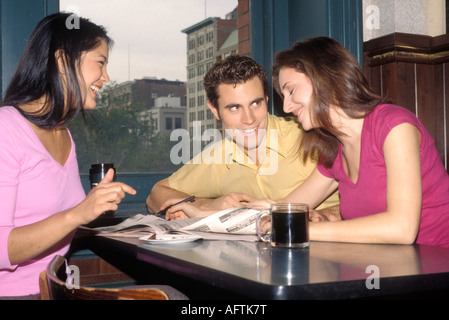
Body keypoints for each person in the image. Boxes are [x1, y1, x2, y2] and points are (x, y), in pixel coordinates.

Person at [260, 36, 449, 247]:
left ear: (324, 76)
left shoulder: (394, 126)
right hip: (387, 267)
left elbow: (402, 229)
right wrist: (261, 212)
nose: (286, 107)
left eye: (291, 90)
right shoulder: (335, 149)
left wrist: (303, 229)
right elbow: (289, 207)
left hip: (437, 268)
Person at [0, 13, 137, 299]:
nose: (106, 78)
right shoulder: (6, 128)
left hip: (56, 289)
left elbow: (56, 218)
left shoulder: (63, 135)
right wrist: (79, 213)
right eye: (100, 63)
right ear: (62, 61)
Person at [146, 55, 340, 220]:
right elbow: (155, 195)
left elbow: (365, 201)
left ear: (266, 100)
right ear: (215, 110)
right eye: (234, 108)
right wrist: (209, 204)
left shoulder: (312, 136)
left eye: (255, 104)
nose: (249, 119)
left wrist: (327, 215)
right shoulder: (218, 156)